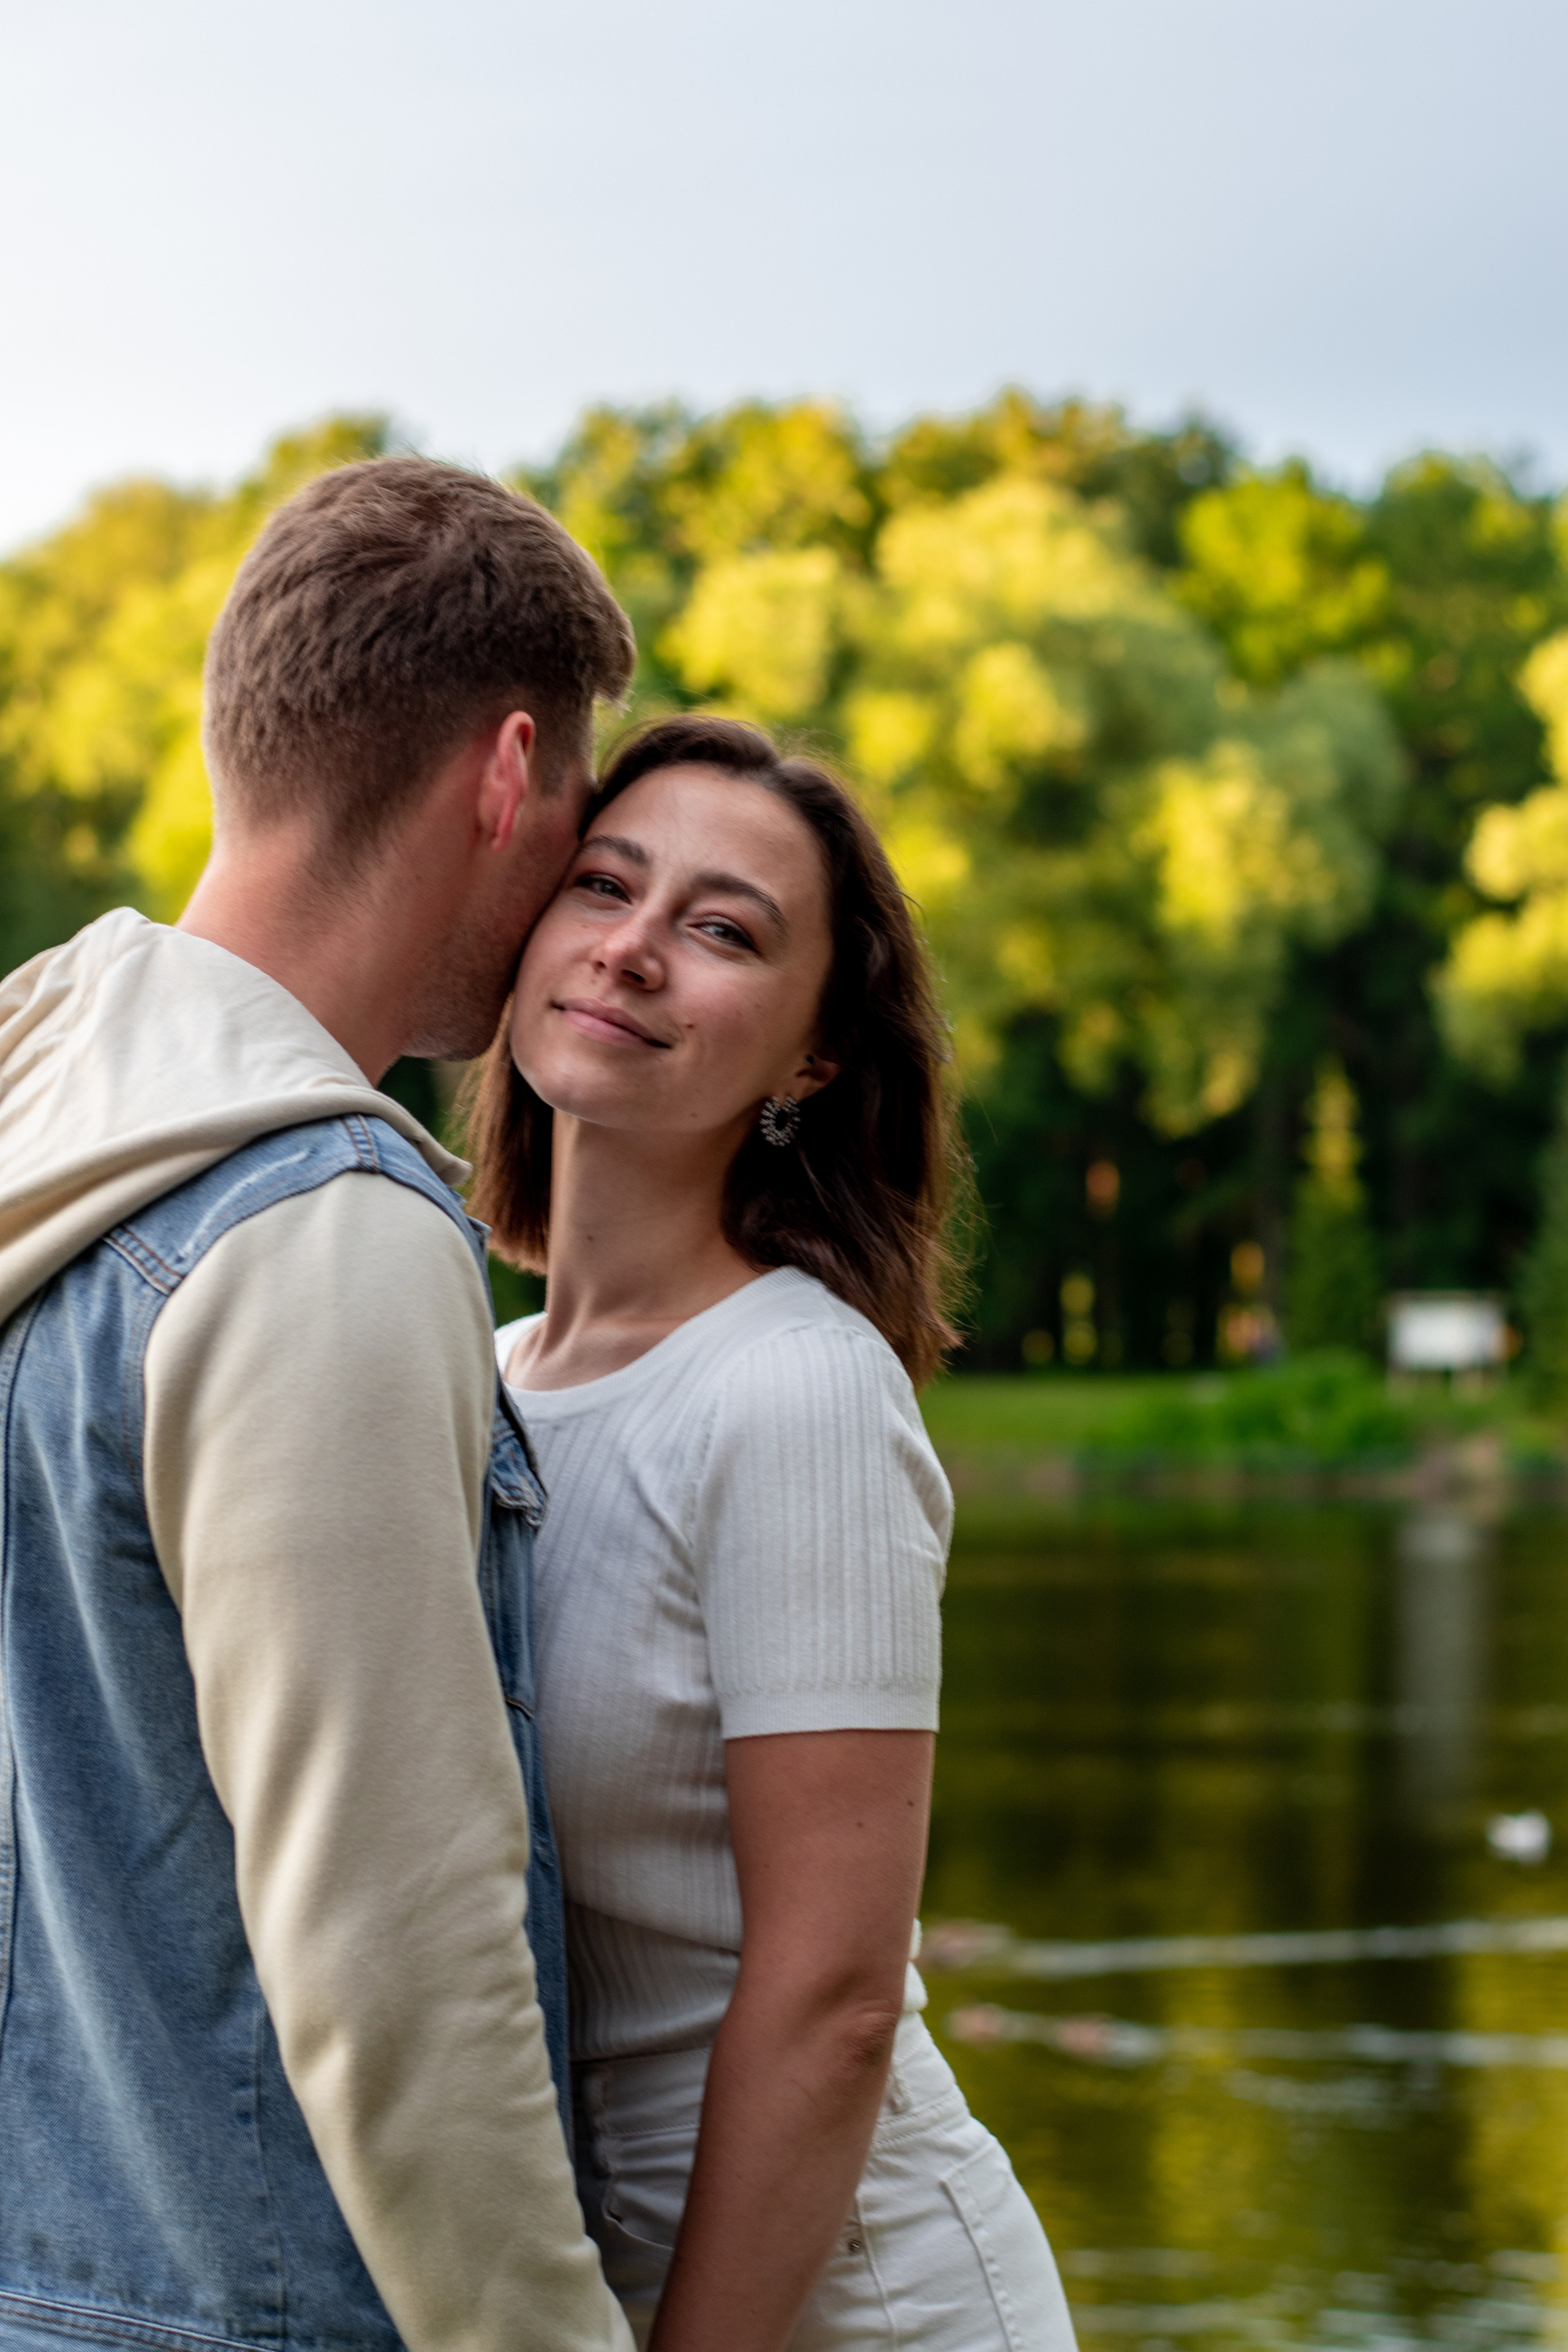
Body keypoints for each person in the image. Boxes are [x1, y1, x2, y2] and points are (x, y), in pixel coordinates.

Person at [0, 458, 638, 2352]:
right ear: (506, 777)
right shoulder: (319, 1232)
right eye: (581, 833)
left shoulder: (46, 1114)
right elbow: (403, 1977)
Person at [466, 714, 1079, 2352]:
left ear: (813, 1057)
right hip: (591, 2283)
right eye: (606, 883)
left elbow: (833, 2002)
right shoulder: (481, 1379)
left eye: (725, 928)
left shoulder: (793, 1389)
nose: (638, 950)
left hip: (848, 2300)